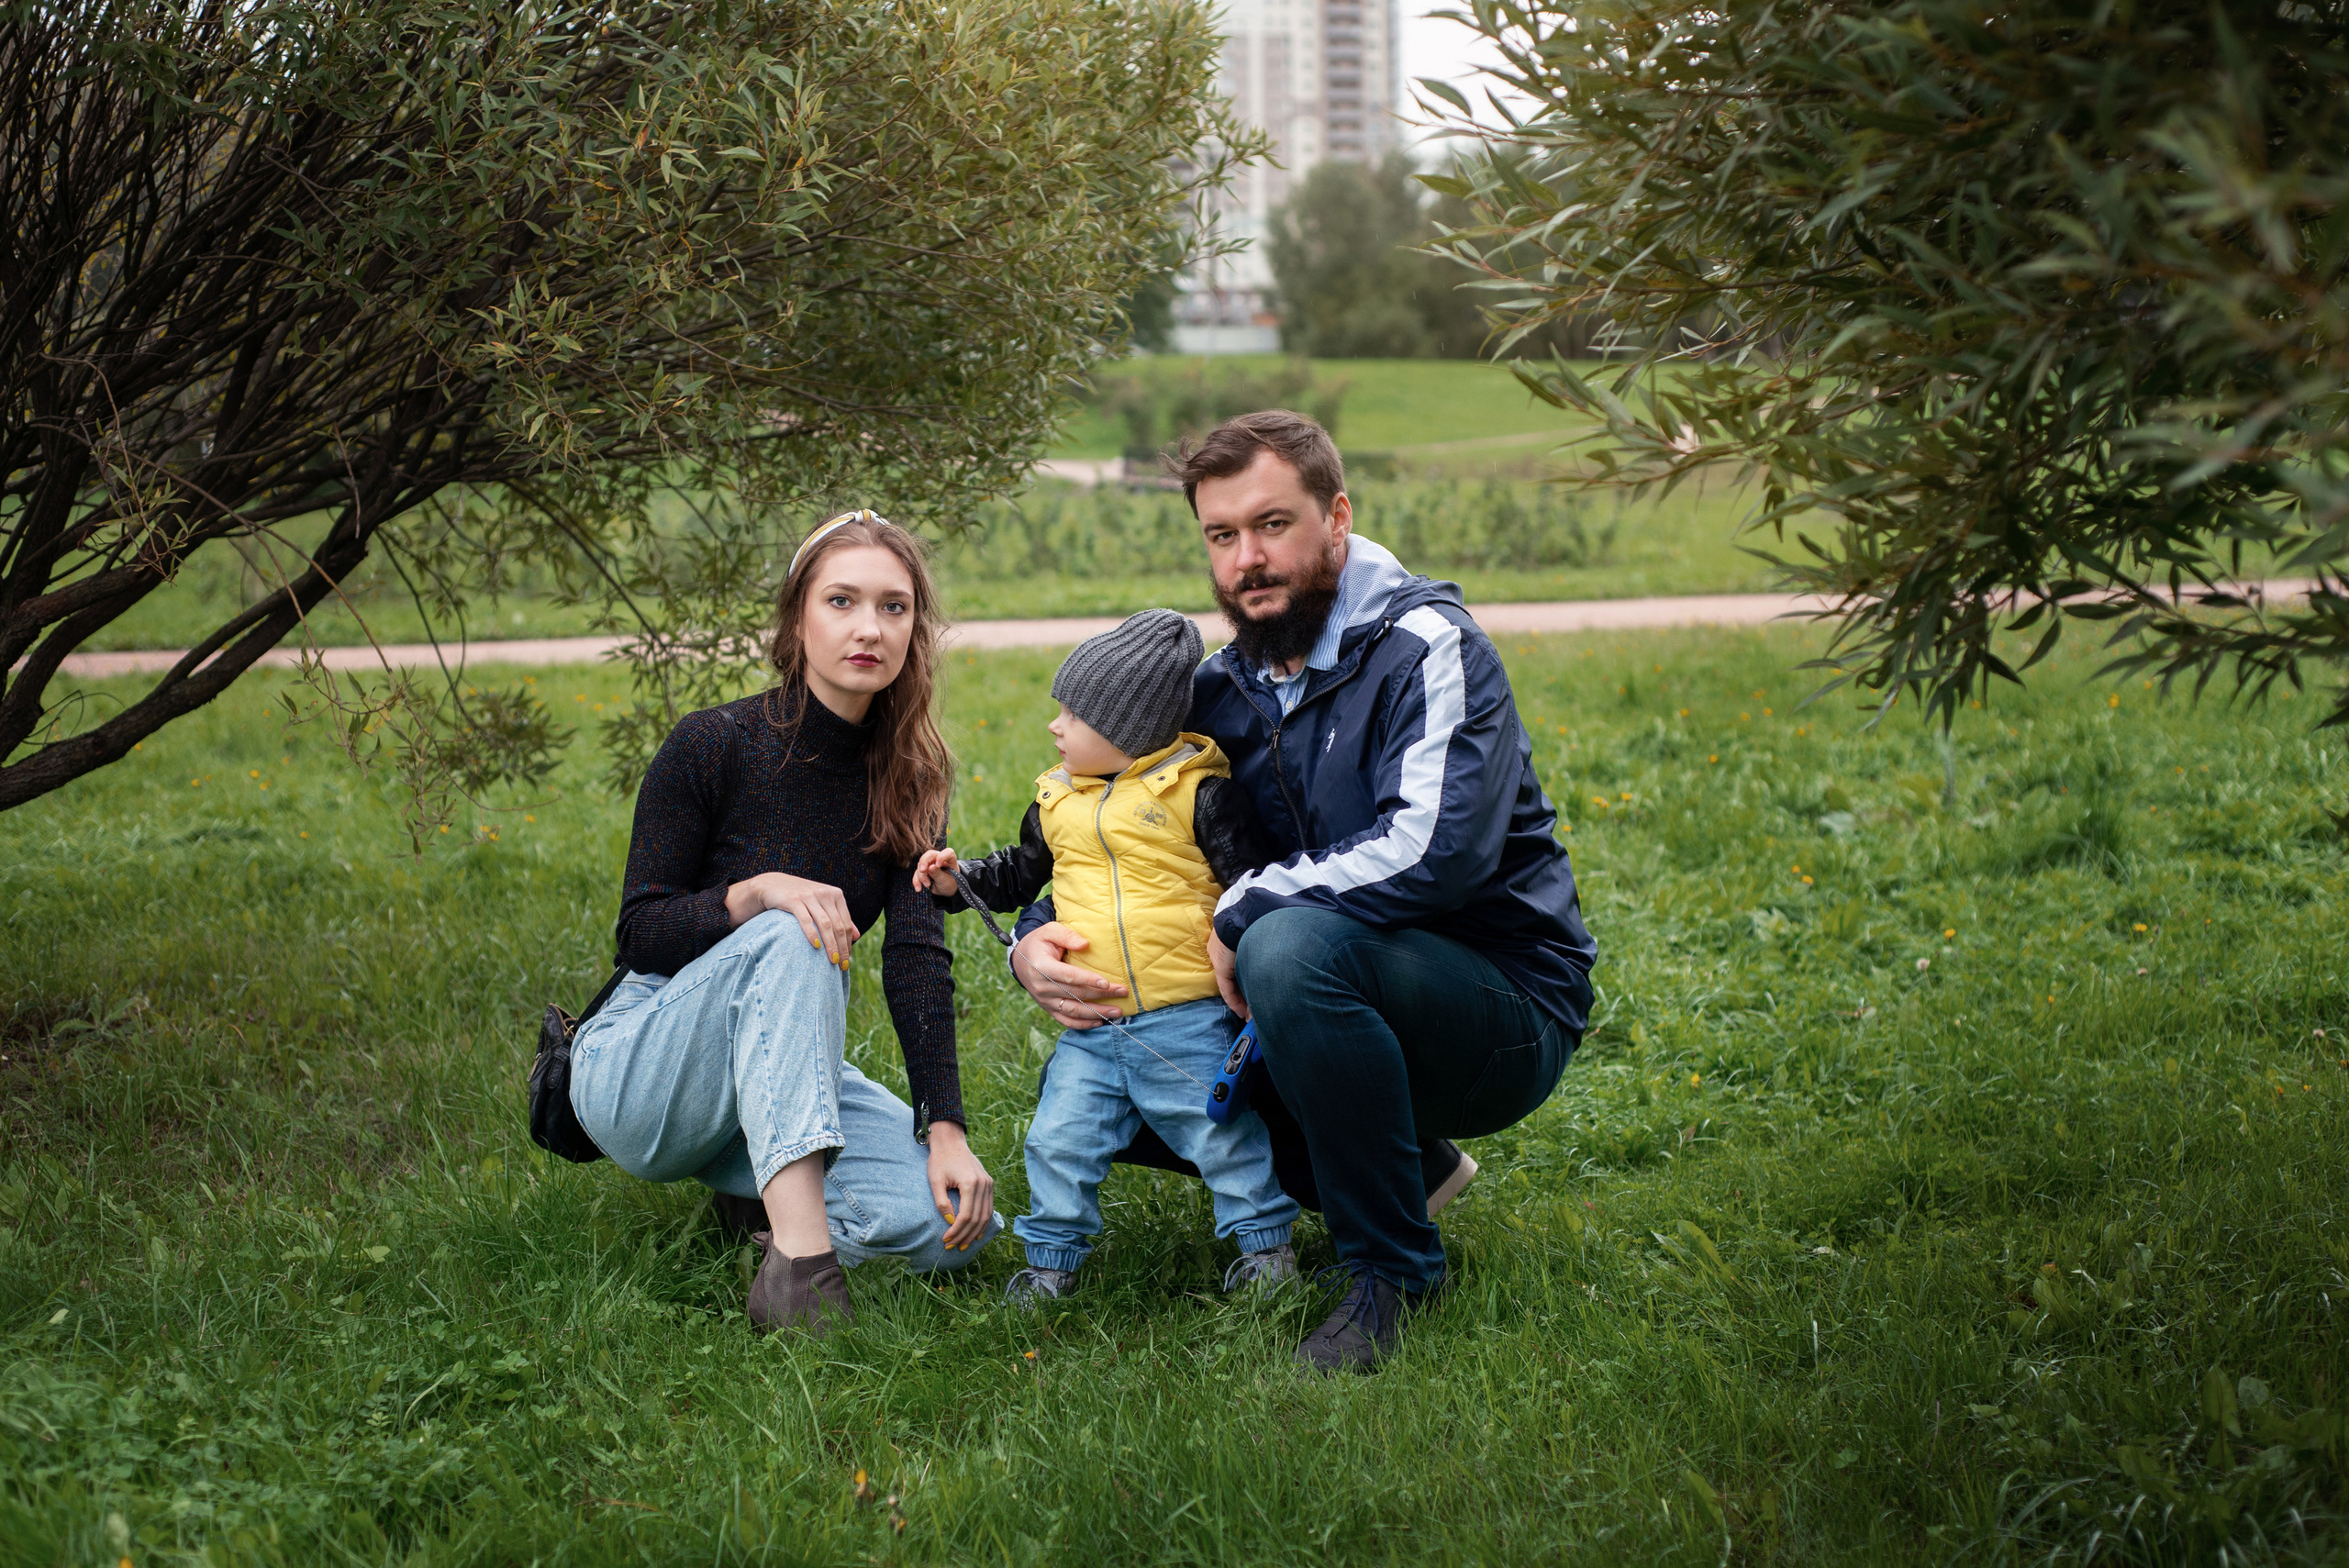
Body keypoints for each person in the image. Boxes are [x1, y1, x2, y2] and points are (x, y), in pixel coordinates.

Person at [1010, 414, 1598, 1372]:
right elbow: (1110, 835)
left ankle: (1391, 1268)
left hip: (1498, 1002)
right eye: (1221, 535)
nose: (1248, 558)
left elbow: (1434, 849)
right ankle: (1403, 1162)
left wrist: (1247, 909)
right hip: (1337, 992)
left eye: (1272, 524)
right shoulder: (1216, 694)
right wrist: (1032, 938)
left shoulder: (1428, 647)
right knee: (1109, 1066)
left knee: (1286, 946)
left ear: (1337, 517)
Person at [569, 510, 1003, 1338]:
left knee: (948, 1232)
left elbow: (916, 958)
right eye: (841, 601)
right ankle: (802, 1279)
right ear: (797, 615)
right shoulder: (713, 743)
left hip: (775, 1069)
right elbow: (641, 933)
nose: (869, 628)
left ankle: (755, 1203)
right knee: (793, 923)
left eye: (894, 607)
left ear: (917, 627)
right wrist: (756, 891)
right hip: (639, 1069)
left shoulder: (911, 778)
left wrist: (944, 1130)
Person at [911, 610, 1299, 1307]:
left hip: (1183, 1018)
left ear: (1127, 729)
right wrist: (956, 879)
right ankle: (1049, 1263)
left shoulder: (1198, 793)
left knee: (1224, 1139)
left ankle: (1266, 1248)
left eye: (1072, 714)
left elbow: (1250, 879)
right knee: (1058, 1140)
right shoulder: (1056, 800)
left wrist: (1237, 935)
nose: (1055, 726)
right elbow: (1019, 874)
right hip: (1092, 1029)